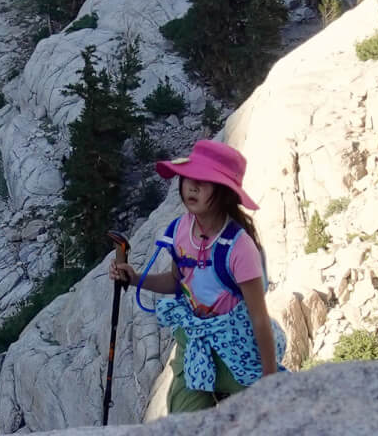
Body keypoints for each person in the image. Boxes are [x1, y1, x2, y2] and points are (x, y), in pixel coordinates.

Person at [108, 139, 285, 413]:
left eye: (204, 180)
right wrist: (135, 278)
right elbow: (177, 283)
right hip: (195, 339)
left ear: (225, 192)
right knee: (182, 420)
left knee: (262, 419)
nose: (191, 186)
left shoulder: (239, 247)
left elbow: (258, 317)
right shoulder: (181, 229)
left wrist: (270, 380)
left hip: (236, 345)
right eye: (188, 178)